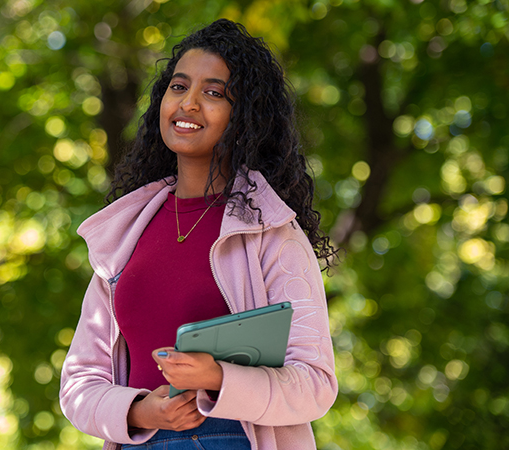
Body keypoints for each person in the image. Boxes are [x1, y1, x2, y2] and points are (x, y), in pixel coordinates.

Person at [59, 19, 338, 450]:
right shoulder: (124, 234)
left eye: (213, 93)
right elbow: (79, 380)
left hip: (233, 438)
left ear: (243, 115)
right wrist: (138, 411)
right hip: (142, 440)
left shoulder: (271, 232)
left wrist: (218, 377)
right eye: (178, 87)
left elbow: (315, 384)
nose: (188, 103)